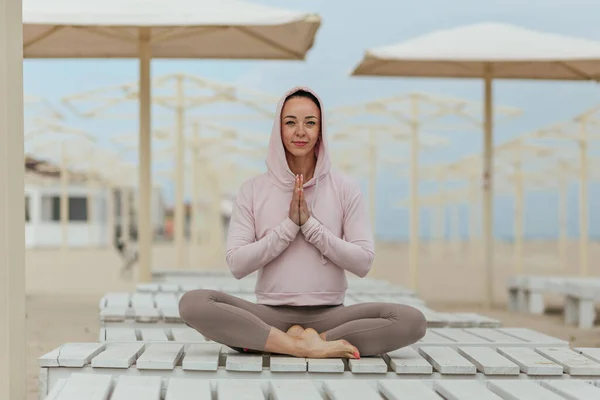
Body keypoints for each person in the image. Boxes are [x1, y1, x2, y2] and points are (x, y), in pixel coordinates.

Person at [179, 87, 426, 359]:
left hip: (332, 316)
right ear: (278, 128)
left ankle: (295, 342)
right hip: (268, 317)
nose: (300, 131)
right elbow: (237, 264)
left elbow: (363, 262)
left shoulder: (345, 187)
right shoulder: (253, 189)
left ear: (321, 130)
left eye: (310, 123)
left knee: (411, 320)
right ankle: (298, 345)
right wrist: (288, 227)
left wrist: (310, 227)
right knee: (193, 303)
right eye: (290, 123)